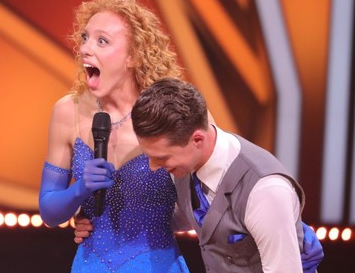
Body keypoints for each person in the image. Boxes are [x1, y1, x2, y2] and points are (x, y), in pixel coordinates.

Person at [39, 0, 198, 272]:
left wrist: (156, 217)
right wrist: (79, 190)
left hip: (156, 264)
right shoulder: (67, 112)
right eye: (85, 38)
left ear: (133, 56)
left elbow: (202, 202)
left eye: (102, 41)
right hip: (91, 264)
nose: (86, 48)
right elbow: (50, 211)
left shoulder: (169, 112)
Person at [130, 77, 322, 272]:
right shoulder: (185, 164)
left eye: (162, 157)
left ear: (197, 139)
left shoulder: (265, 190)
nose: (153, 167)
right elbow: (191, 218)